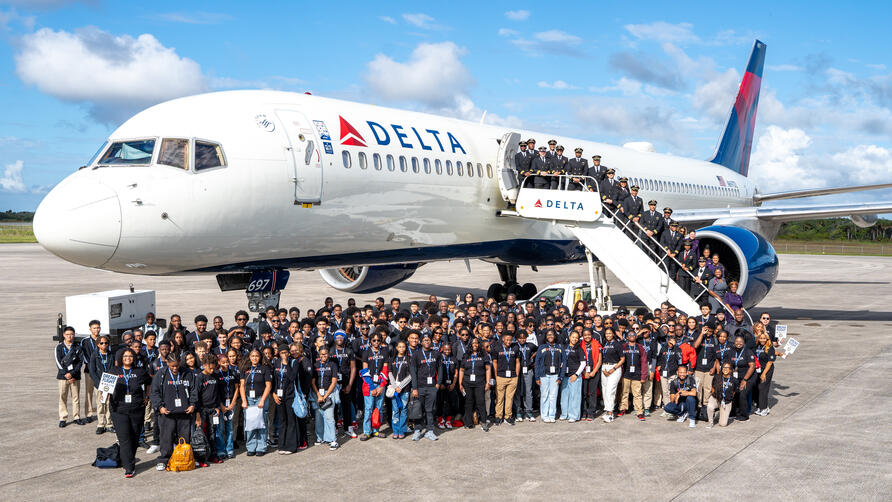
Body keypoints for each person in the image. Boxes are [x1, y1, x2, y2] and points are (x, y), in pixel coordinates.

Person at [108, 348, 151, 477]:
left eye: (130, 356)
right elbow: (105, 387)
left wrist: (147, 396)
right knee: (124, 438)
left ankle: (126, 459)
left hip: (137, 408)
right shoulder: (114, 371)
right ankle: (129, 467)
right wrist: (103, 395)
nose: (128, 358)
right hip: (119, 410)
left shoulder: (140, 371)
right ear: (121, 358)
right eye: (125, 356)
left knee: (135, 437)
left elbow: (149, 382)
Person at [150, 354, 197, 471]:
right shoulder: (161, 374)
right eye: (172, 366)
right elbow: (154, 392)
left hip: (184, 412)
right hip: (167, 412)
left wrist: (192, 404)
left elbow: (193, 390)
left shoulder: (187, 373)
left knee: (184, 438)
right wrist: (160, 406)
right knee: (166, 438)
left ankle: (185, 458)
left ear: (180, 362)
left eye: (177, 366)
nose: (175, 368)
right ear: (167, 363)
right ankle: (164, 460)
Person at [240, 349, 272, 456]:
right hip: (248, 399)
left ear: (260, 357)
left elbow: (268, 386)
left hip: (260, 398)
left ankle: (261, 446)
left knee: (261, 422)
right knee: (250, 423)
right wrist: (244, 400)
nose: (254, 358)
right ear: (249, 357)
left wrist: (262, 400)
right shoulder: (245, 369)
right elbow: (242, 386)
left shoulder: (265, 368)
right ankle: (251, 446)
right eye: (252, 356)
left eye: (257, 356)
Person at [410, 332, 442, 440]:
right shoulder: (416, 354)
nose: (426, 342)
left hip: (432, 387)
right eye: (424, 340)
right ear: (421, 342)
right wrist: (414, 388)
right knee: (418, 409)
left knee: (430, 410)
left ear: (431, 341)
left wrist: (438, 384)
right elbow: (413, 372)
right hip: (420, 387)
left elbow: (440, 369)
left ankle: (430, 430)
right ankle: (417, 430)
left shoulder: (436, 353)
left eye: (428, 340)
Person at [194, 354, 224, 466]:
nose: (212, 370)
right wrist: (197, 415)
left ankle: (213, 455)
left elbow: (218, 393)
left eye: (213, 368)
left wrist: (217, 407)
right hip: (201, 411)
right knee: (201, 435)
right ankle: (200, 459)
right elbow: (196, 396)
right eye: (210, 368)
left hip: (213, 410)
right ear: (204, 365)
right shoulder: (199, 377)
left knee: (213, 434)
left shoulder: (215, 376)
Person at [360, 335, 389, 440]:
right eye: (374, 340)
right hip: (368, 384)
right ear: (370, 341)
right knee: (368, 409)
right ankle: (367, 432)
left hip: (381, 383)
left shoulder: (384, 352)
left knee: (379, 408)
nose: (376, 342)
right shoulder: (366, 352)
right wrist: (372, 387)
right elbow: (364, 371)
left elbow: (385, 370)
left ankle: (376, 430)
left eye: (378, 340)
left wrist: (381, 386)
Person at [458, 337, 490, 431]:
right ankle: (468, 422)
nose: (475, 345)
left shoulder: (483, 355)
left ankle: (483, 421)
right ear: (470, 345)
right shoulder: (466, 355)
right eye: (473, 343)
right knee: (468, 403)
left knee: (480, 402)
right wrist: (460, 383)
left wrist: (488, 382)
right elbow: (461, 370)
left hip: (480, 382)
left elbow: (488, 369)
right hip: (467, 383)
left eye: (476, 343)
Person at [55, 326, 84, 427]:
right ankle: (63, 418)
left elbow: (80, 362)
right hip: (63, 377)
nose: (69, 336)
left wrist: (72, 374)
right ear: (63, 335)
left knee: (75, 397)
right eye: (67, 334)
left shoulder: (78, 347)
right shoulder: (59, 347)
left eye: (71, 334)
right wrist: (66, 374)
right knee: (63, 397)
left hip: (75, 376)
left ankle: (76, 416)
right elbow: (58, 362)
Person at [312, 347, 340, 449]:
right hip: (318, 394)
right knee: (319, 417)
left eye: (325, 354)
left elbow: (334, 382)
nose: (323, 356)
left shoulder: (333, 365)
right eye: (321, 354)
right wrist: (319, 395)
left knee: (329, 417)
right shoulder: (315, 365)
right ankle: (320, 437)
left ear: (328, 354)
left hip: (329, 394)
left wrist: (326, 395)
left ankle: (332, 439)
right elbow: (313, 382)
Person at [330, 331, 357, 438]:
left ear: (345, 338)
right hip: (333, 382)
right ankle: (335, 428)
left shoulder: (349, 351)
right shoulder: (330, 350)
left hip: (346, 381)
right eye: (337, 337)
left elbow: (353, 368)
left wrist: (350, 384)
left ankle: (348, 428)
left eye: (342, 337)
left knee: (347, 406)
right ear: (334, 338)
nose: (339, 338)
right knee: (334, 406)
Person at [618, 331, 648, 420]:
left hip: (637, 374)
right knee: (624, 392)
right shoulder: (623, 346)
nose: (632, 336)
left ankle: (639, 411)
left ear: (636, 336)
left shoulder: (640, 347)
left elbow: (644, 362)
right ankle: (623, 408)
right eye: (630, 335)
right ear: (627, 337)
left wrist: (643, 376)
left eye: (633, 335)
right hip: (626, 374)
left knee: (637, 394)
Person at [534, 329, 563, 423]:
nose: (550, 336)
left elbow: (564, 362)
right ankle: (545, 415)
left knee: (553, 396)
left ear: (555, 336)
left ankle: (552, 415)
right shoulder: (541, 347)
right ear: (546, 336)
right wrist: (537, 377)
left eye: (552, 334)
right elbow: (537, 363)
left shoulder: (559, 347)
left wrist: (560, 377)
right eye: (548, 335)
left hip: (555, 375)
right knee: (544, 395)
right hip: (544, 375)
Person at [491, 331, 519, 426]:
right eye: (507, 339)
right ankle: (498, 416)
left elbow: (517, 362)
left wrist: (517, 375)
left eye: (510, 340)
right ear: (503, 339)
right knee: (499, 398)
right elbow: (494, 362)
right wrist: (496, 375)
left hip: (512, 377)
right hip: (500, 376)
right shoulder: (497, 348)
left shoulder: (515, 347)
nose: (508, 341)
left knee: (509, 398)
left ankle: (508, 416)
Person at [88, 334, 114, 434]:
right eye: (101, 343)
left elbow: (113, 369)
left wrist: (109, 384)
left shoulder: (111, 355)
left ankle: (109, 424)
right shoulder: (94, 355)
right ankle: (101, 424)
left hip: (109, 382)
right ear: (98, 344)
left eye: (106, 343)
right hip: (99, 383)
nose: (104, 345)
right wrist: (99, 385)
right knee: (100, 403)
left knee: (108, 403)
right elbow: (92, 371)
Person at [215, 353, 238, 459]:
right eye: (223, 362)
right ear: (219, 363)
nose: (225, 364)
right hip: (221, 404)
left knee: (230, 428)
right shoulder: (216, 374)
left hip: (231, 403)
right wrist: (221, 405)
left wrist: (233, 403)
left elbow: (237, 388)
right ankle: (221, 450)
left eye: (227, 362)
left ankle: (230, 449)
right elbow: (215, 392)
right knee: (220, 428)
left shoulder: (233, 372)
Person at [753, 331, 782, 416]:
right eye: (761, 338)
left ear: (767, 339)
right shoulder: (756, 346)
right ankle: (759, 406)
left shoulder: (769, 348)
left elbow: (770, 362)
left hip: (767, 370)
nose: (762, 340)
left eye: (764, 338)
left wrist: (763, 374)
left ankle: (764, 408)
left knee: (763, 388)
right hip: (758, 370)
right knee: (757, 388)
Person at [599, 327, 624, 423]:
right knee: (605, 391)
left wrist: (613, 369)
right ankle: (607, 410)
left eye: (610, 333)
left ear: (613, 334)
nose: (608, 335)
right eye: (606, 333)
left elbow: (622, 359)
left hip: (614, 368)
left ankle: (610, 413)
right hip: (604, 367)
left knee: (610, 391)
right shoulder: (605, 344)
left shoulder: (617, 344)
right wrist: (604, 369)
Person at [559, 331, 585, 422]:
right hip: (565, 375)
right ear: (569, 337)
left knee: (575, 396)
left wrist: (576, 374)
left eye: (576, 338)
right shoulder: (564, 347)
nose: (574, 339)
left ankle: (573, 416)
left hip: (574, 375)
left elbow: (583, 363)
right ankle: (564, 414)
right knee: (564, 396)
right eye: (573, 337)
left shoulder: (579, 349)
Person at [729, 334, 756, 421]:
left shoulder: (748, 352)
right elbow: (730, 364)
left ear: (744, 343)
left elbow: (752, 366)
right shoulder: (732, 351)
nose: (738, 343)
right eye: (737, 341)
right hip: (737, 376)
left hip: (748, 376)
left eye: (741, 342)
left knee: (742, 394)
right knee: (735, 393)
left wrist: (744, 380)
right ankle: (735, 413)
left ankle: (744, 415)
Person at [389, 340, 412, 439]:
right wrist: (395, 386)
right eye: (400, 347)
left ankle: (402, 430)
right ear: (397, 348)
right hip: (395, 390)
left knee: (403, 410)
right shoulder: (392, 359)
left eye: (403, 347)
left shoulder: (409, 359)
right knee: (395, 410)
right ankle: (395, 430)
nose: (402, 349)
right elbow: (390, 373)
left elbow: (411, 375)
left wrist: (401, 386)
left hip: (405, 389)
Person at [706, 362, 737, 428]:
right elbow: (713, 388)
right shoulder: (717, 377)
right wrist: (715, 397)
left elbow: (734, 392)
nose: (725, 369)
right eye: (724, 367)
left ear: (731, 370)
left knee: (723, 424)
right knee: (710, 406)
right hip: (716, 398)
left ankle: (723, 412)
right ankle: (710, 422)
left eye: (727, 368)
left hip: (726, 401)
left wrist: (728, 398)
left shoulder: (734, 380)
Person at [580, 329, 602, 421]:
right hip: (583, 371)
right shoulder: (580, 344)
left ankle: (591, 412)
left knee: (592, 393)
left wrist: (594, 371)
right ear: (583, 336)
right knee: (584, 393)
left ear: (592, 335)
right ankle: (584, 411)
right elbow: (578, 359)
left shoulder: (596, 343)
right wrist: (584, 372)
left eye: (589, 335)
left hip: (594, 370)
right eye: (585, 335)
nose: (587, 336)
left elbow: (600, 360)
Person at [437, 343, 460, 428]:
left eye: (449, 349)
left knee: (451, 402)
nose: (447, 351)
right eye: (445, 349)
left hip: (451, 384)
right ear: (442, 349)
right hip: (441, 384)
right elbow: (436, 371)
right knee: (440, 402)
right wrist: (440, 383)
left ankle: (448, 420)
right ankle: (440, 420)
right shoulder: (439, 358)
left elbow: (456, 372)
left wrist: (453, 384)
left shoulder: (454, 358)